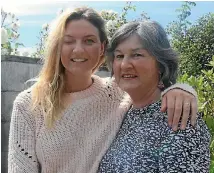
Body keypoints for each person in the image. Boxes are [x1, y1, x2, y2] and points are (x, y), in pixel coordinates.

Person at [8, 7, 198, 173]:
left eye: (89, 41)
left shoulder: (116, 91)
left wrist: (181, 89)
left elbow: (148, 85)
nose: (78, 50)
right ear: (57, 46)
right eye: (69, 41)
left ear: (102, 48)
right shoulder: (29, 104)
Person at [98, 20, 211, 172]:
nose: (124, 65)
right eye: (119, 56)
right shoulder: (121, 112)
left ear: (161, 63)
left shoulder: (179, 120)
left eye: (137, 55)